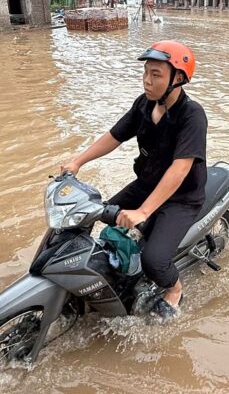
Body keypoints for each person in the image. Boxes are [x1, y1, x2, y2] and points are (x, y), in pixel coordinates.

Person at [61, 41, 207, 321]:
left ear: (177, 78)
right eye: (145, 73)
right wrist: (77, 161)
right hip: (146, 184)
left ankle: (174, 289)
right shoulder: (144, 104)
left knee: (154, 260)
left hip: (181, 198)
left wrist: (142, 211)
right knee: (89, 214)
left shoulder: (192, 116)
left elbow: (179, 169)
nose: (147, 81)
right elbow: (114, 136)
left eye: (156, 75)